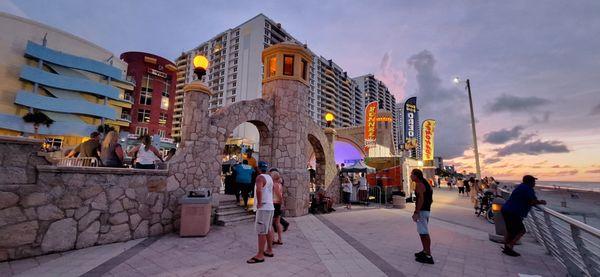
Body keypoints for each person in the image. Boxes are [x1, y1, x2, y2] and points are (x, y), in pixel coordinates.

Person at [501, 175, 547, 257]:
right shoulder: (528, 189)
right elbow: (532, 201)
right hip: (513, 212)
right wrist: (541, 202)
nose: (535, 183)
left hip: (506, 210)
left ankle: (506, 247)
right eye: (534, 181)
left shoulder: (520, 187)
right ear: (530, 182)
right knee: (521, 231)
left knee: (510, 230)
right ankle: (509, 247)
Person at [247, 161, 275, 264]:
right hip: (270, 206)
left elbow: (259, 190)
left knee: (261, 231)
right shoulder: (269, 178)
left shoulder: (259, 178)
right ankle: (270, 250)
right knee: (268, 229)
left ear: (258, 168)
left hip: (263, 207)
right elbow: (272, 190)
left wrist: (259, 203)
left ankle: (260, 255)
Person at [411, 169, 434, 264]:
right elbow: (430, 200)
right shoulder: (426, 183)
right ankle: (425, 251)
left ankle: (428, 255)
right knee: (423, 232)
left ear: (416, 176)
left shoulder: (419, 185)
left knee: (424, 233)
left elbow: (420, 199)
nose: (410, 176)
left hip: (422, 211)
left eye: (412, 174)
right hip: (425, 210)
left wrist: (416, 212)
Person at [270, 170, 284, 245]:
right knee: (277, 223)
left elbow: (279, 194)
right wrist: (281, 203)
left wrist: (281, 201)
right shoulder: (280, 184)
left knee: (271, 223)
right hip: (277, 204)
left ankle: (272, 239)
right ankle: (280, 239)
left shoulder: (274, 184)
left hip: (274, 204)